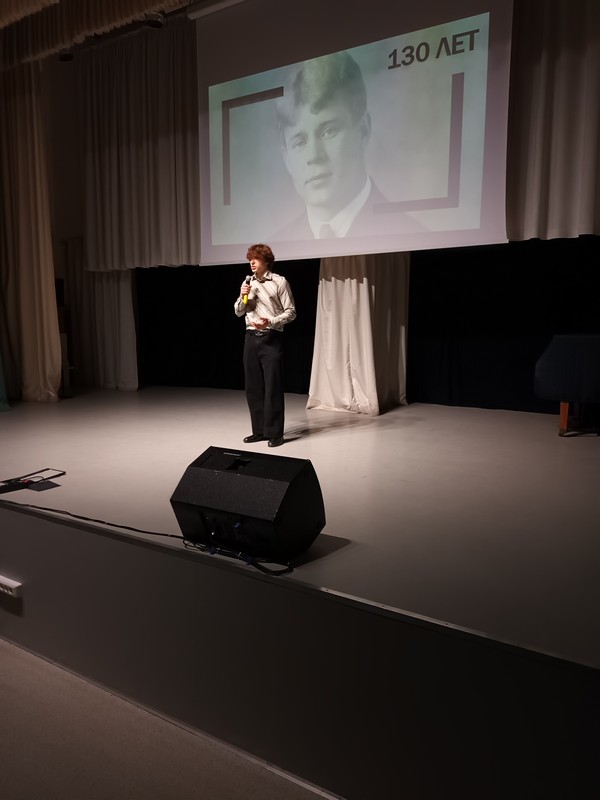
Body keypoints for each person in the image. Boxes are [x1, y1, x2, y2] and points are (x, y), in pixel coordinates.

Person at [274, 50, 425, 240]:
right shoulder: (272, 249)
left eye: (329, 131)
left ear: (363, 131)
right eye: (299, 142)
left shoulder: (414, 236)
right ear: (286, 157)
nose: (314, 156)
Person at [234, 243, 296, 447]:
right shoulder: (248, 283)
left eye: (256, 259)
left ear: (266, 261)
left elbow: (291, 312)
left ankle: (275, 432)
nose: (252, 262)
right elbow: (238, 311)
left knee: (272, 386)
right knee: (253, 387)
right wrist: (243, 295)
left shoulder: (279, 281)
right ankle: (259, 431)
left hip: (271, 338)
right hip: (251, 338)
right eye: (250, 259)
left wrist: (270, 322)